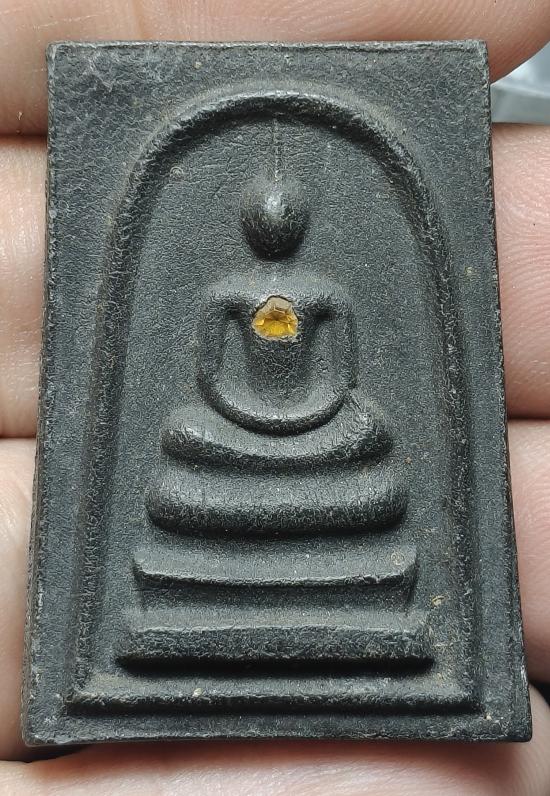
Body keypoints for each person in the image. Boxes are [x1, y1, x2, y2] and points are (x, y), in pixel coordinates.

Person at [0, 1, 549, 792]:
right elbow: (206, 378)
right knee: (184, 438)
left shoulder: (326, 293)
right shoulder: (225, 293)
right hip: (231, 424)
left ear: (299, 227)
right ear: (250, 227)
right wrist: (242, 415)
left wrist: (315, 415)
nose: (275, 227)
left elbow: (344, 375)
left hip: (321, 425)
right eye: (266, 220)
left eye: (285, 220)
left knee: (369, 441)